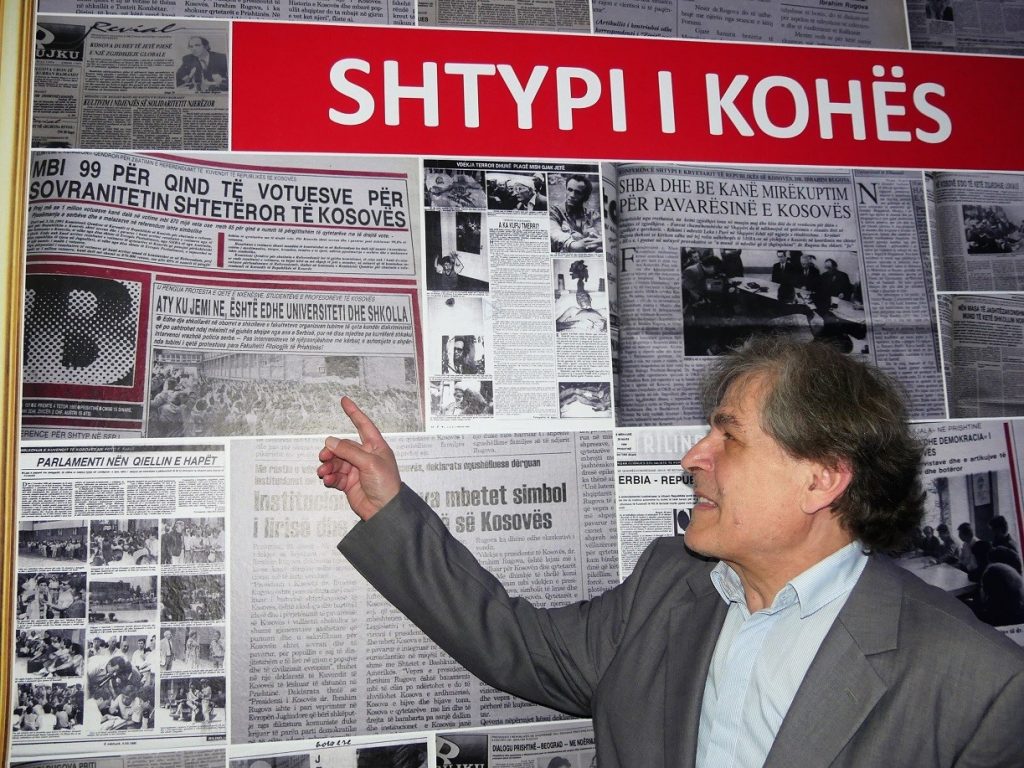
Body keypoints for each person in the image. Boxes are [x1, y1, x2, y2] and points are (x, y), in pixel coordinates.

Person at [318, 336, 1024, 768]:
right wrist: (387, 508)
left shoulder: (980, 685)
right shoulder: (667, 584)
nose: (693, 458)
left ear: (820, 479)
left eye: (728, 437)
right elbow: (514, 642)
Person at [550, 175, 601, 252]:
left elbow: (601, 234)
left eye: (578, 193)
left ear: (585, 197)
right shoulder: (554, 212)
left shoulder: (593, 215)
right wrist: (573, 245)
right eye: (570, 190)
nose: (572, 195)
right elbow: (554, 232)